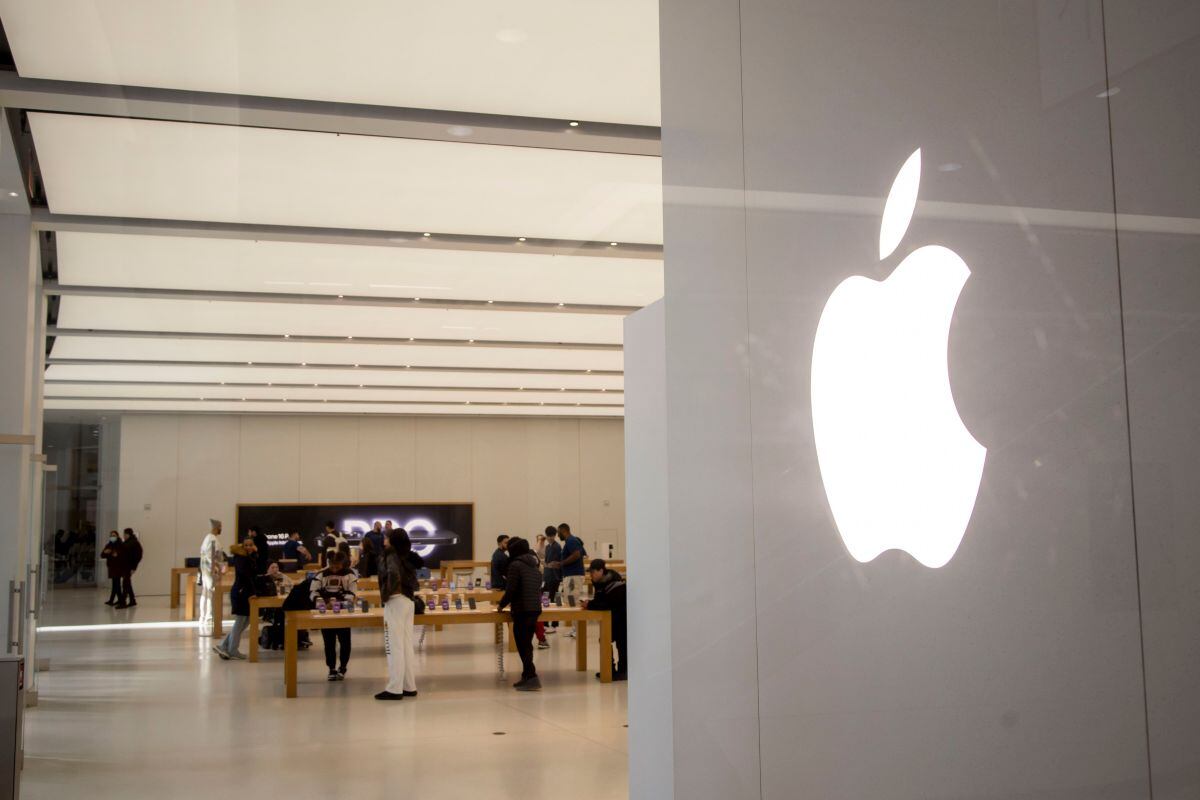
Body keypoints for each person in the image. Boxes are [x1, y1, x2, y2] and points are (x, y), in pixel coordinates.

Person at [375, 528, 424, 701]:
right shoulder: (408, 555)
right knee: (405, 644)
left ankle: (395, 688)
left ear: (392, 540)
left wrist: (386, 594)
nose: (384, 540)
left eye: (386, 538)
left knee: (393, 644)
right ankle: (409, 686)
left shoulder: (390, 555)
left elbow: (393, 574)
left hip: (395, 600)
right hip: (408, 600)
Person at [498, 537, 543, 691]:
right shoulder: (534, 566)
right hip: (534, 609)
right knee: (527, 644)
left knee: (522, 644)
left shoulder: (515, 565)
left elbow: (511, 590)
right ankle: (527, 675)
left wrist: (501, 605)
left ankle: (531, 677)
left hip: (522, 609)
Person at [310, 549, 357, 681]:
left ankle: (343, 667)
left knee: (345, 642)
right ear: (328, 563)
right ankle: (331, 668)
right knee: (328, 642)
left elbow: (353, 594)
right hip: (326, 613)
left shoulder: (349, 575)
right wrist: (323, 604)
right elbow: (313, 592)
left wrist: (340, 603)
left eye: (338, 566)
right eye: (332, 566)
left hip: (343, 613)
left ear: (343, 563)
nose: (335, 569)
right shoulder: (321, 574)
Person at [213, 536, 258, 660]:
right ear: (242, 547)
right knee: (240, 621)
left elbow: (255, 571)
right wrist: (253, 592)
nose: (249, 547)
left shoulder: (248, 557)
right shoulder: (241, 558)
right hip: (241, 593)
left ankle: (224, 645)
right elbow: (247, 576)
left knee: (246, 621)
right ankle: (232, 649)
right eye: (246, 545)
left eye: (251, 545)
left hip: (245, 592)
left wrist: (255, 554)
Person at [583, 559, 627, 681]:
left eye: (593, 572)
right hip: (612, 617)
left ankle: (623, 671)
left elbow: (608, 604)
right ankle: (609, 670)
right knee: (605, 640)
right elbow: (600, 601)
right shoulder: (599, 582)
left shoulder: (615, 582)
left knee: (621, 644)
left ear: (601, 571)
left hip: (621, 617)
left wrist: (590, 605)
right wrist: (591, 603)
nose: (590, 575)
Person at [557, 523, 587, 636]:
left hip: (574, 576)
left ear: (563, 531)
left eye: (558, 532)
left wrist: (562, 563)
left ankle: (578, 630)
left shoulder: (571, 540)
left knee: (573, 601)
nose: (557, 535)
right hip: (571, 576)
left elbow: (577, 554)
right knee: (570, 601)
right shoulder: (570, 541)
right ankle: (575, 629)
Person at [198, 519, 226, 637]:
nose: (221, 529)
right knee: (211, 594)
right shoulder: (212, 539)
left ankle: (203, 617)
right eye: (220, 527)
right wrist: (217, 568)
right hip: (210, 571)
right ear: (216, 527)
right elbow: (211, 556)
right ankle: (209, 619)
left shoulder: (207, 538)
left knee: (205, 593)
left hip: (205, 570)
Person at [100, 531, 129, 607]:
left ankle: (118, 600)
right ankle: (115, 600)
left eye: (114, 535)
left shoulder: (121, 545)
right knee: (115, 584)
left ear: (117, 536)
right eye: (111, 535)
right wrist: (106, 552)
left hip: (118, 567)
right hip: (111, 567)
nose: (112, 537)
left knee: (117, 584)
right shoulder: (108, 545)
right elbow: (102, 555)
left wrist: (116, 554)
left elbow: (123, 555)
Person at [541, 526, 562, 633]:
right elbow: (547, 561)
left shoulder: (557, 547)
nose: (550, 538)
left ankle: (554, 624)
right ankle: (544, 623)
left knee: (554, 600)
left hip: (555, 577)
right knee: (544, 598)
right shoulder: (548, 547)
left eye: (552, 536)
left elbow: (556, 563)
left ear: (554, 535)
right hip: (547, 576)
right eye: (548, 536)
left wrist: (548, 565)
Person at [120, 528, 143, 607]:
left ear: (128, 534)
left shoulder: (133, 543)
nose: (124, 536)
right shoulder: (129, 542)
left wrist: (133, 567)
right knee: (127, 583)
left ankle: (123, 602)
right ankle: (132, 600)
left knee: (125, 583)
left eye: (125, 534)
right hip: (127, 566)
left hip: (129, 566)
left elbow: (138, 556)